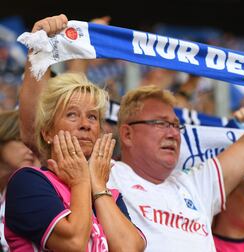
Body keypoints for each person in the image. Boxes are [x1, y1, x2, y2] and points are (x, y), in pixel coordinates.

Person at [19, 14, 244, 251]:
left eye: (175, 125)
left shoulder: (195, 184)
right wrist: (40, 50)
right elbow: (39, 130)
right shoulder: (104, 172)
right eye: (160, 124)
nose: (173, 133)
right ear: (125, 134)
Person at [7, 16, 146, 250]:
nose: (85, 124)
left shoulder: (108, 193)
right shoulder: (28, 182)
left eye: (93, 117)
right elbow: (74, 243)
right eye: (72, 115)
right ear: (48, 132)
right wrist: (82, 180)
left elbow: (130, 249)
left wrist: (98, 188)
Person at [0, 110, 41, 252]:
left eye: (33, 143)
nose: (31, 149)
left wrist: (37, 172)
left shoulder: (23, 186)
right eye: (21, 140)